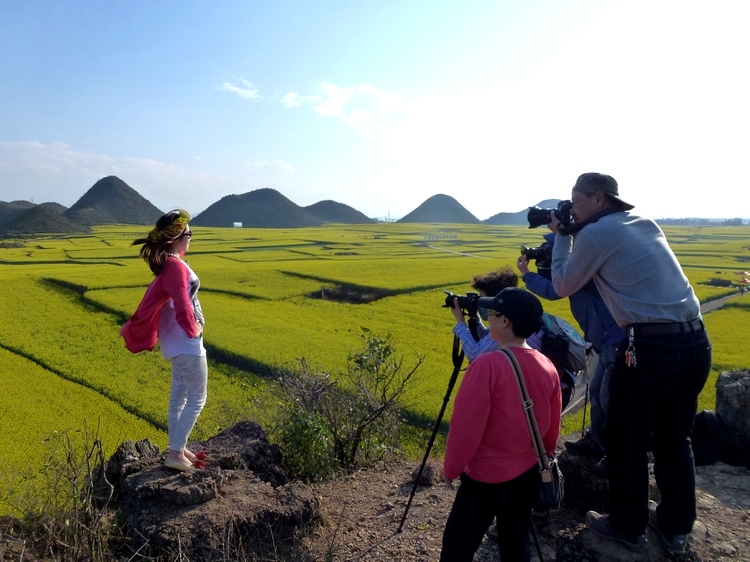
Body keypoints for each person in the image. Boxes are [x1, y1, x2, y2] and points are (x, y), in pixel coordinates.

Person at [547, 173, 711, 554]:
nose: (571, 208)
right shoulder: (644, 223)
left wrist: (561, 235)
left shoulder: (595, 235)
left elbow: (561, 284)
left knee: (625, 439)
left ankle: (626, 527)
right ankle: (675, 528)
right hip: (695, 343)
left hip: (651, 350)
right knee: (674, 439)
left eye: (576, 201)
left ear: (599, 199)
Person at [441, 288, 562, 562]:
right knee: (515, 541)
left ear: (505, 322)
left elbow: (466, 428)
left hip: (485, 477)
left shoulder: (487, 366)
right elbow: (551, 428)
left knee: (457, 547)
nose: (487, 318)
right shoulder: (547, 365)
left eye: (491, 314)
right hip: (528, 472)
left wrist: (451, 468)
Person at [517, 233, 625, 457]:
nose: (547, 254)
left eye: (551, 251)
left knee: (609, 398)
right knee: (596, 392)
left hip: (615, 341)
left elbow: (553, 290)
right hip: (606, 341)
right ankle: (597, 443)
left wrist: (526, 274)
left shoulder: (581, 270)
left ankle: (616, 454)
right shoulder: (581, 268)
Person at [120, 209, 208, 473]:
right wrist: (194, 330)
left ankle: (178, 448)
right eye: (189, 234)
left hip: (175, 344)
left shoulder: (170, 264)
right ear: (177, 237)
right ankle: (175, 453)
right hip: (186, 345)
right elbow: (182, 305)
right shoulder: (174, 267)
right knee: (197, 399)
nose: (191, 238)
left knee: (179, 399)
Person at [449, 267, 518, 361]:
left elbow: (474, 354)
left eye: (483, 301)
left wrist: (460, 322)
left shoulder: (508, 328)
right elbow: (486, 336)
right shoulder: (516, 316)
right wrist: (474, 315)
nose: (480, 304)